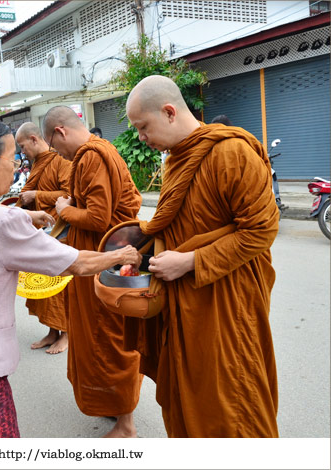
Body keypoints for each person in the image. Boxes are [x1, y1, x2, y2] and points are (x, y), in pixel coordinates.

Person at [0, 114, 142, 438]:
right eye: (11, 158)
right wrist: (121, 255)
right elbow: (75, 264)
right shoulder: (3, 222)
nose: (16, 165)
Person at [125, 75, 279, 437]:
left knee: (233, 400)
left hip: (226, 300)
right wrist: (144, 257)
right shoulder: (175, 160)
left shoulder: (233, 152)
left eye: (143, 127)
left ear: (169, 111)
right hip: (183, 302)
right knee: (186, 393)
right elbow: (174, 225)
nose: (142, 139)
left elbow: (260, 229)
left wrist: (191, 261)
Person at [43, 105, 143, 438]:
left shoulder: (92, 156)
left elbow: (99, 218)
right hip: (101, 254)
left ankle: (127, 424)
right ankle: (115, 408)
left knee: (111, 340)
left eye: (57, 147)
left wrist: (66, 210)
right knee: (102, 336)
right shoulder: (102, 151)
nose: (61, 155)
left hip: (103, 258)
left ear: (60, 131)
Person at [15, 122, 72, 354]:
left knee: (60, 285)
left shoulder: (60, 160)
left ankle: (67, 334)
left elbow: (69, 194)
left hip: (60, 231)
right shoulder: (38, 163)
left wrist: (37, 194)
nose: (22, 152)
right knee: (43, 282)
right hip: (40, 232)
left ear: (34, 139)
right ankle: (52, 331)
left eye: (22, 146)